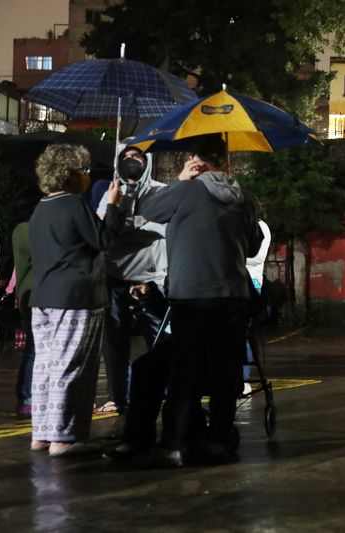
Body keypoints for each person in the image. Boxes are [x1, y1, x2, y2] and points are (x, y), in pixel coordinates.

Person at [139, 135, 263, 465]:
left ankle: (178, 443)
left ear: (195, 159)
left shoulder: (187, 190)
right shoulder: (244, 198)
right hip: (233, 296)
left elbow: (147, 209)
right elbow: (251, 248)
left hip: (191, 295)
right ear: (225, 161)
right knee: (225, 372)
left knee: (185, 372)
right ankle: (219, 440)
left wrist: (180, 179)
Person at [28, 144, 124, 457]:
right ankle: (62, 438)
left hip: (43, 297)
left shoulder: (41, 207)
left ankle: (42, 434)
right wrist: (113, 206)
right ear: (70, 175)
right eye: (82, 171)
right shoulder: (73, 204)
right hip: (75, 297)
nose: (86, 177)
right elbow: (103, 240)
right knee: (71, 365)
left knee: (45, 366)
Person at [95, 144, 167, 414]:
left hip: (150, 278)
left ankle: (165, 391)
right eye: (125, 158)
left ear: (147, 161)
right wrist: (124, 219)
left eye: (136, 157)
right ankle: (118, 396)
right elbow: (105, 232)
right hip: (115, 277)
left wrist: (130, 223)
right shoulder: (111, 193)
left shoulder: (161, 192)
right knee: (114, 343)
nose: (131, 161)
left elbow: (163, 229)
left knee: (159, 340)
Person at [9, 187, 44, 417]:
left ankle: (29, 395)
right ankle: (25, 396)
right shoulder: (24, 229)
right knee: (33, 348)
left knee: (37, 347)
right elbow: (42, 252)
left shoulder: (27, 228)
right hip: (31, 294)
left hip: (34, 293)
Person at [243, 198, 272, 396]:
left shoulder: (261, 227)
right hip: (234, 283)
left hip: (250, 283)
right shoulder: (236, 227)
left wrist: (233, 255)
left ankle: (243, 378)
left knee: (242, 332)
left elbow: (258, 258)